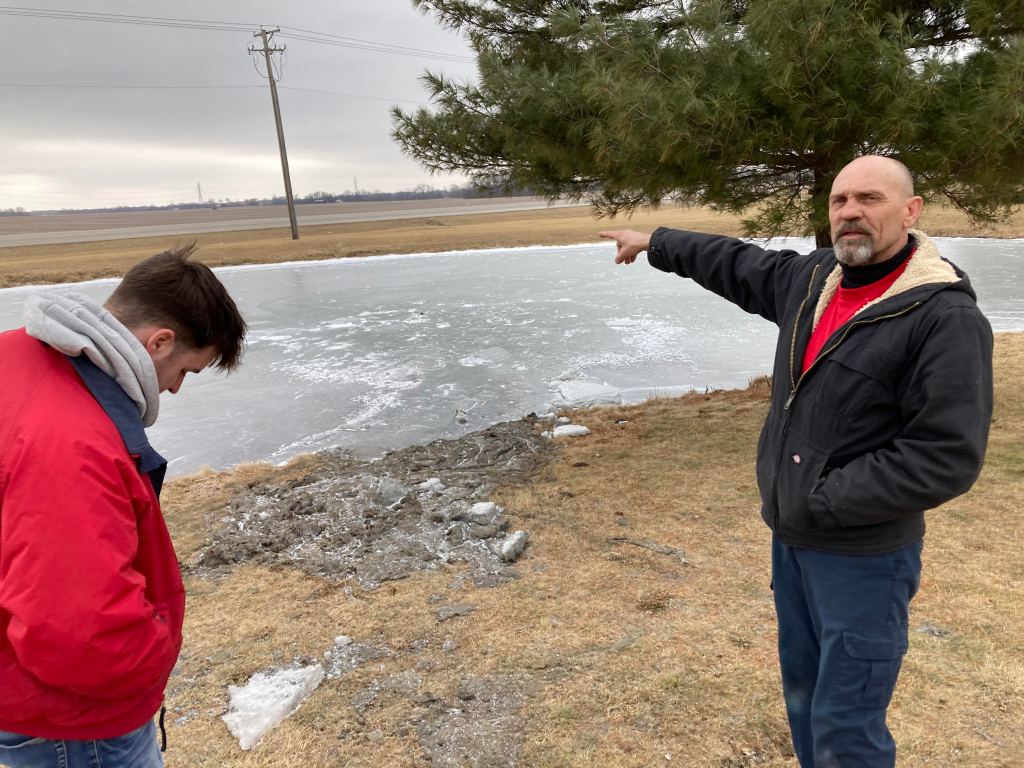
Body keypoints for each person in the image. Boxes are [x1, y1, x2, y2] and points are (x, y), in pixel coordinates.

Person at [600, 155, 993, 767]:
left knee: (847, 722)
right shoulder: (814, 281)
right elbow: (733, 263)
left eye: (870, 199)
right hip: (794, 544)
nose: (850, 213)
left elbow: (945, 455)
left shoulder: (942, 315)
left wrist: (822, 499)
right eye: (839, 202)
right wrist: (655, 241)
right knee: (806, 702)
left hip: (865, 558)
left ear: (911, 211)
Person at [0, 245, 246, 767]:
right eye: (187, 370)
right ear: (160, 342)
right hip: (73, 724)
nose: (176, 388)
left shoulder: (15, 359)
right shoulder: (71, 442)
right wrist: (152, 656)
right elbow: (77, 630)